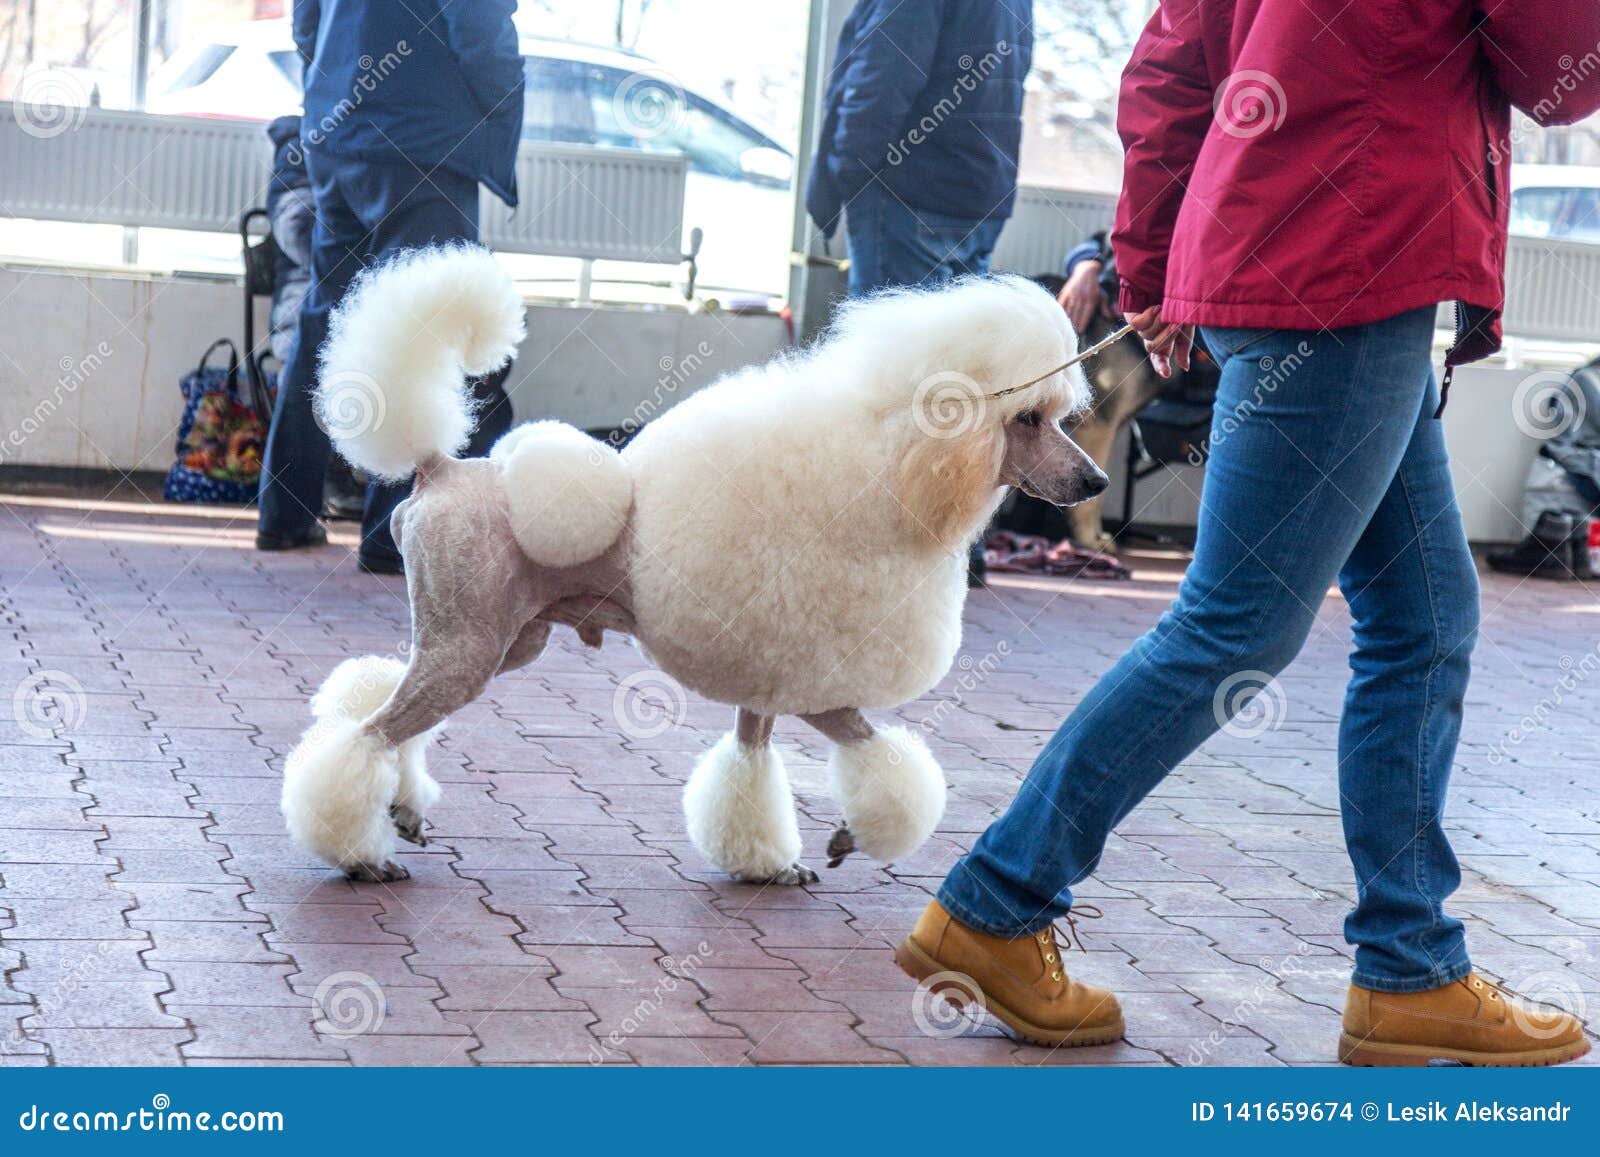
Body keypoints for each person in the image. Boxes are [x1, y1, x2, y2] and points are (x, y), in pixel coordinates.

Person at [899, 1, 1600, 1066]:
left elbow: (1170, 63)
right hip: (1354, 258)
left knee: (1424, 617)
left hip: (1294, 251)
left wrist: (1149, 255)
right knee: (1233, 626)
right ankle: (994, 903)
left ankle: (1409, 969)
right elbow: (1560, 71)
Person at [257, 0, 523, 573]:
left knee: (328, 319)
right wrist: (495, 116)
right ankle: (388, 533)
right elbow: (481, 28)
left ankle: (286, 512)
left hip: (336, 133)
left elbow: (306, 21)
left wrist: (336, 88)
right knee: (422, 333)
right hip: (422, 136)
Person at [805, 0, 1033, 299]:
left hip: (908, 198)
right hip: (981, 198)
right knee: (953, 342)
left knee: (887, 342)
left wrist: (852, 172)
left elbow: (883, 77)